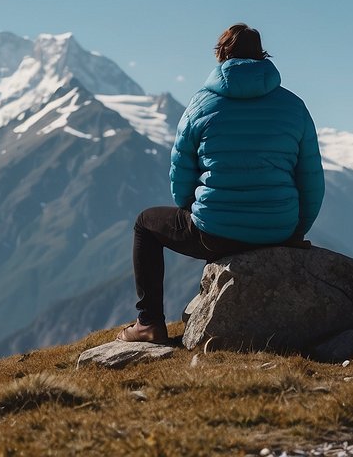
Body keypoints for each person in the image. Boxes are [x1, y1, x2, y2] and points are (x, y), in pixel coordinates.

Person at [117, 23, 325, 343]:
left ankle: (149, 324)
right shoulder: (294, 106)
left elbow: (181, 171)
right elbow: (311, 180)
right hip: (279, 230)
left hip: (214, 234)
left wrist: (196, 211)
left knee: (145, 223)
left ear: (221, 55)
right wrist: (295, 232)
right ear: (263, 57)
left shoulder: (202, 103)